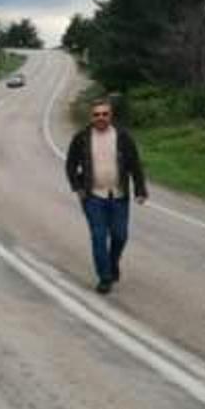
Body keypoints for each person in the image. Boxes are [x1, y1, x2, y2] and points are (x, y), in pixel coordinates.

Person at [65, 98, 149, 294]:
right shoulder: (81, 138)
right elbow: (70, 165)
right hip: (93, 196)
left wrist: (140, 190)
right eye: (96, 114)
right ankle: (105, 278)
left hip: (119, 196)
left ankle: (112, 263)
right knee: (98, 237)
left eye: (104, 114)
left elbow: (134, 165)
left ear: (110, 115)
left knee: (120, 236)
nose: (100, 117)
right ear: (91, 117)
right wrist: (77, 188)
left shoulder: (123, 137)